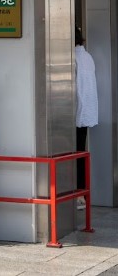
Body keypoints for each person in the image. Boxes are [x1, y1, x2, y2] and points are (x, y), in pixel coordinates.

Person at [74, 26, 98, 209]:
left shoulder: (72, 58)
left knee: (72, 156)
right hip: (86, 113)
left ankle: (76, 195)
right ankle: (81, 195)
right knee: (80, 153)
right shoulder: (87, 57)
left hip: (73, 113)